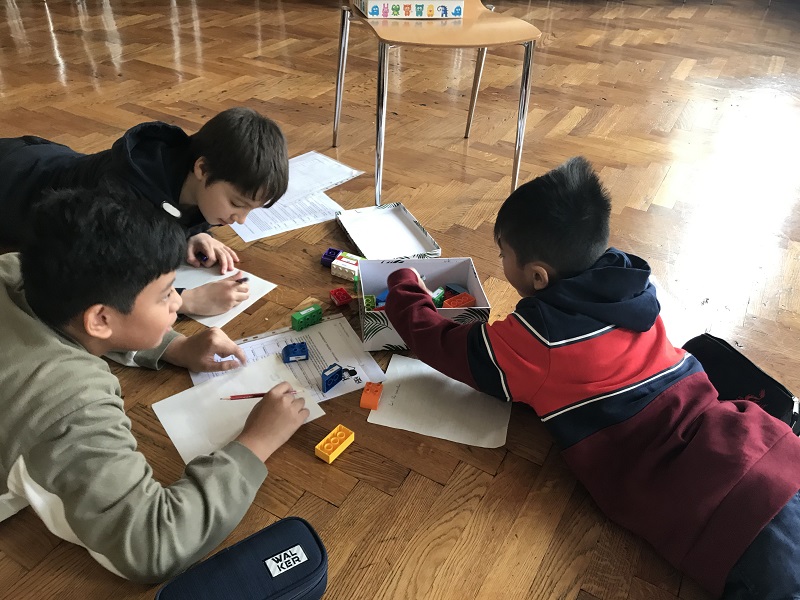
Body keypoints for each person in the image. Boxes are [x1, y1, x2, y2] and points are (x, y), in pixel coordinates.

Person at [384, 157, 800, 600]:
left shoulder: (539, 337)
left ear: (538, 275)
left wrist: (403, 285)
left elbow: (446, 346)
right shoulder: (630, 281)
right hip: (761, 446)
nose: (500, 261)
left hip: (721, 510)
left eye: (503, 255)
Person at [0, 186, 309, 583]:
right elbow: (152, 545)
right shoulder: (66, 403)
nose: (178, 303)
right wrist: (256, 444)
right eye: (165, 296)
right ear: (101, 319)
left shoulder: (15, 268)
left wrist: (173, 346)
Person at [0, 106, 289, 316]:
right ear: (202, 168)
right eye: (237, 204)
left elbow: (170, 205)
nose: (241, 220)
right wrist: (184, 301)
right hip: (12, 184)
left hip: (43, 160)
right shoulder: (122, 203)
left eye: (251, 209)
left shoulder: (188, 174)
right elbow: (98, 281)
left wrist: (193, 232)